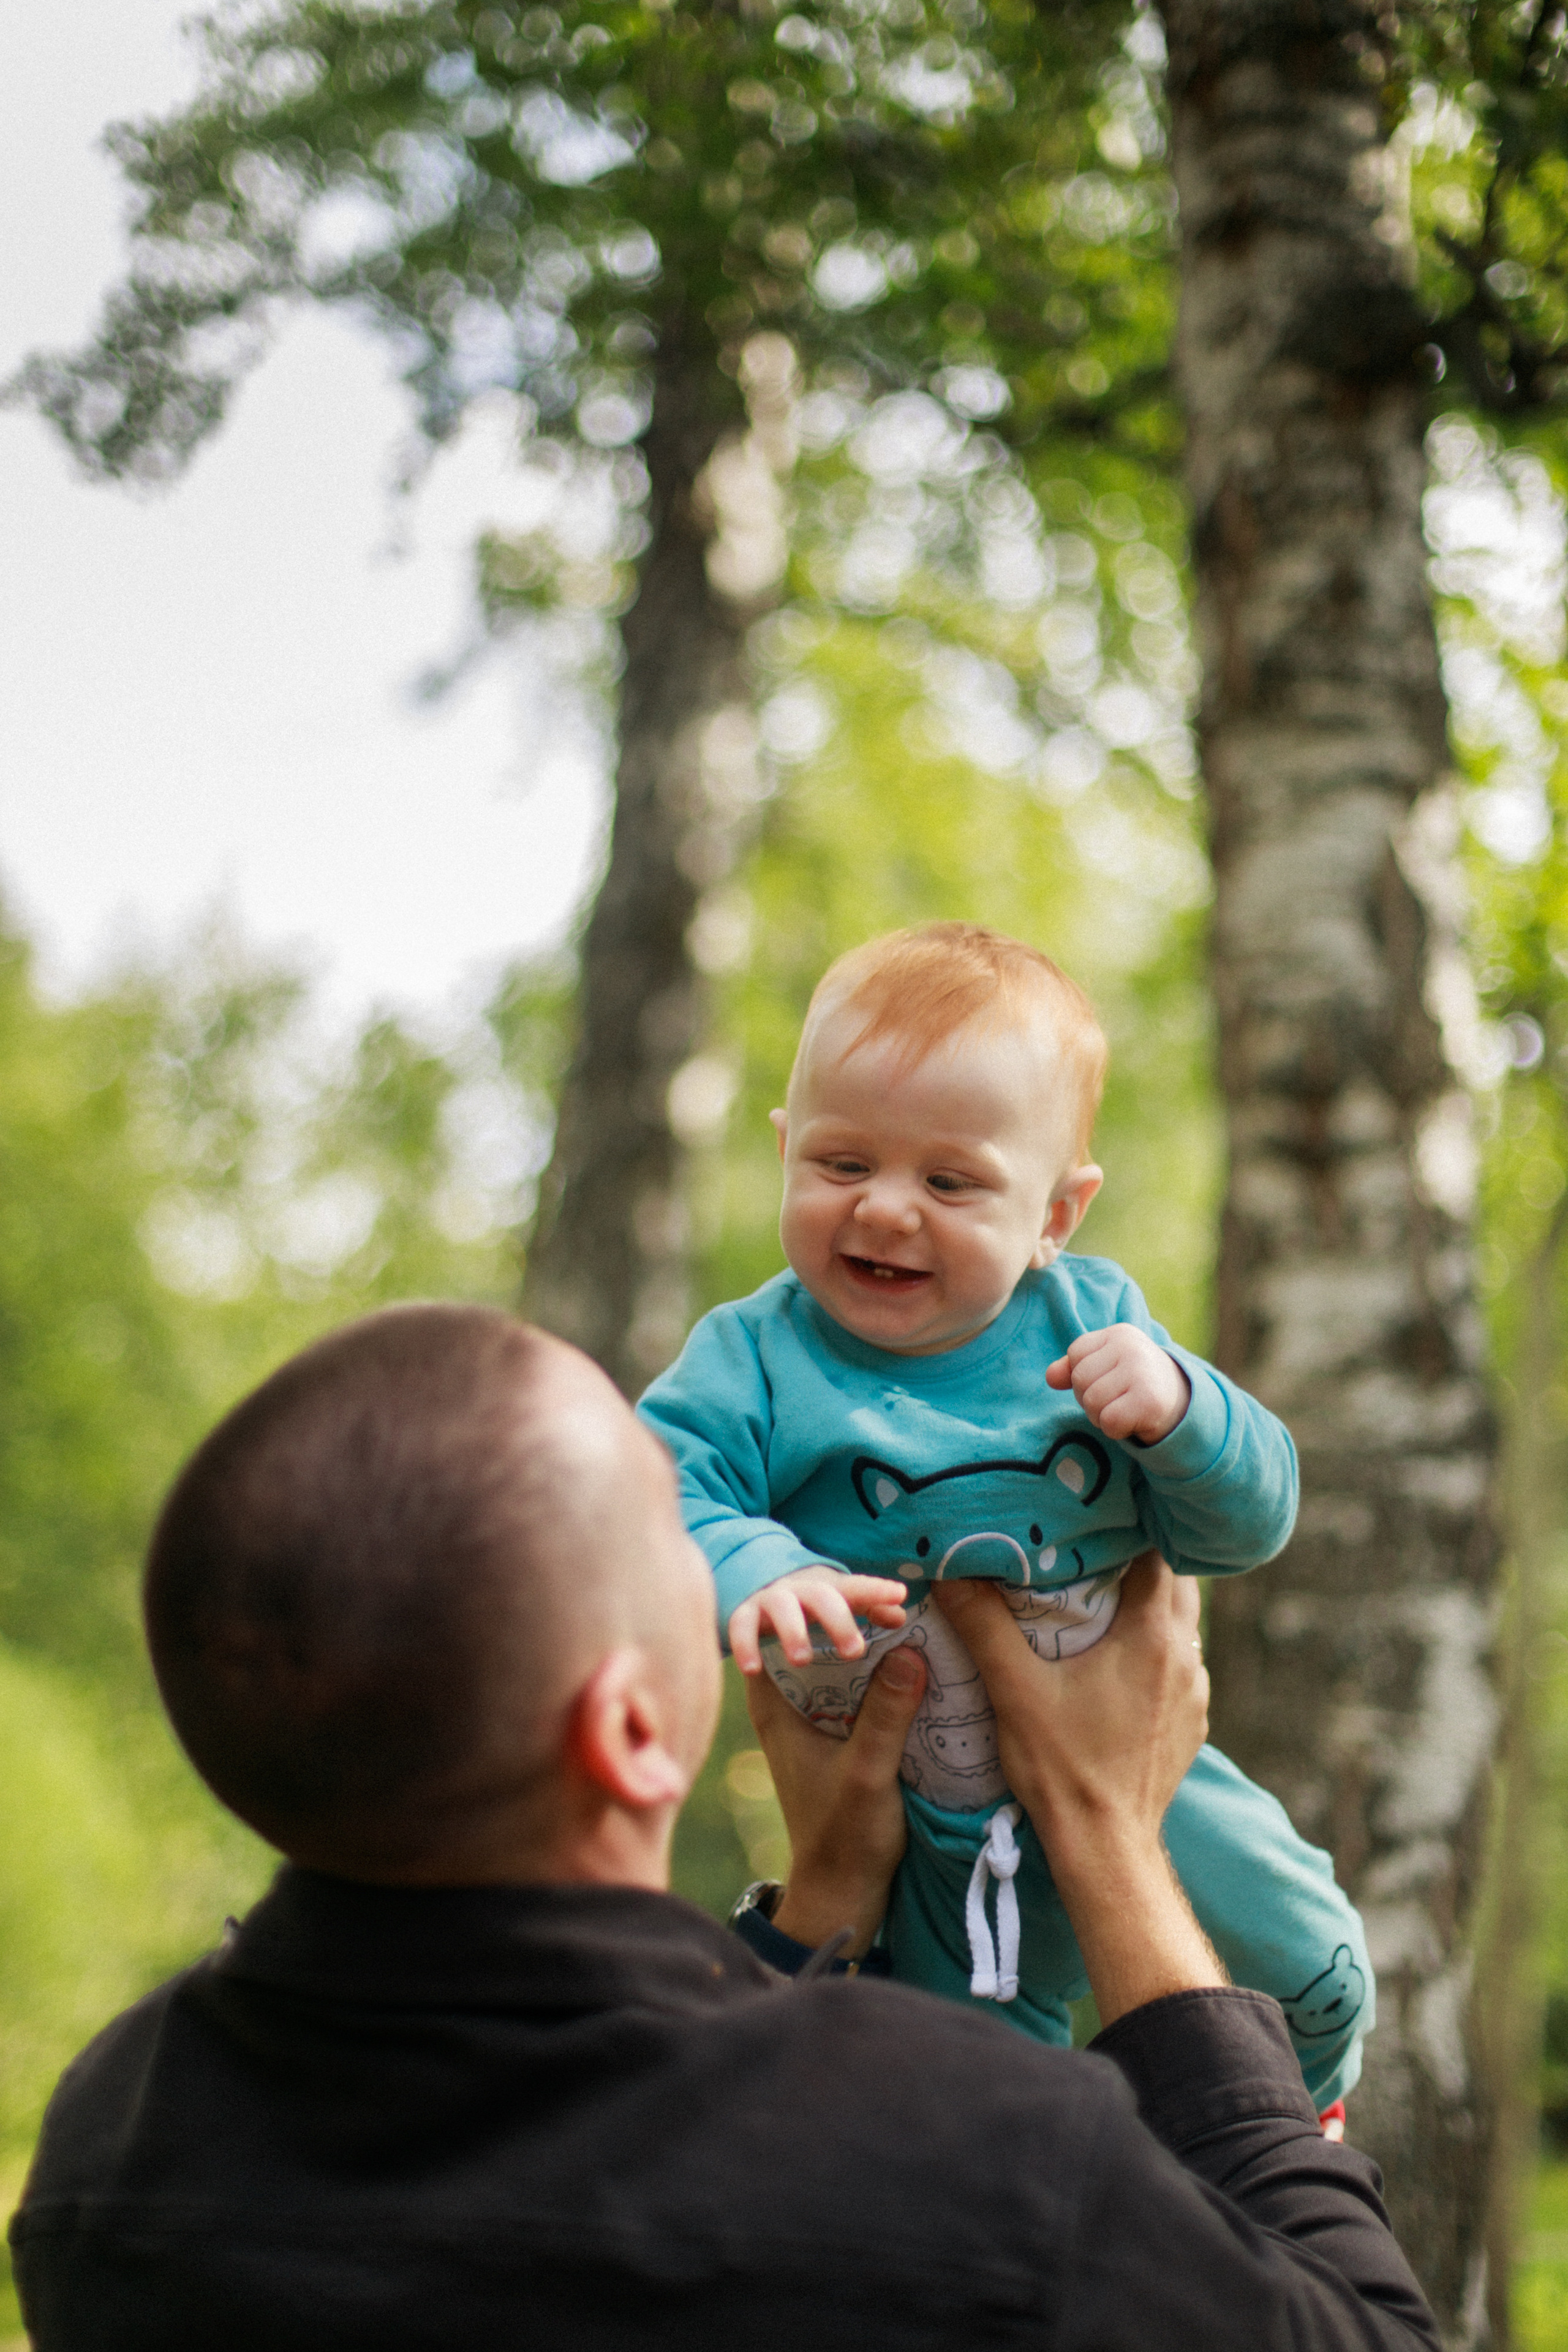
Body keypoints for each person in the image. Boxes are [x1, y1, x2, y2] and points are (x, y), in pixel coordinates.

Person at [10, 1304, 1433, 2351]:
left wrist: (815, 1918)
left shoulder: (119, 2147)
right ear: (631, 1729)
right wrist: (1104, 1831)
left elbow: (624, 2122)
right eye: (677, 1538)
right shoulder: (972, 2153)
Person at [639, 922, 1371, 2106]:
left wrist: (1183, 1413)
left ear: (1055, 1217)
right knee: (977, 2086)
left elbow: (1245, 1528)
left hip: (1137, 1763)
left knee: (1321, 1962)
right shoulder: (753, 1358)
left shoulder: (1094, 1326)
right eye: (839, 1163)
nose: (883, 1210)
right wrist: (755, 1564)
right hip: (921, 1807)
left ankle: (1296, 2126)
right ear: (784, 1150)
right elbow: (656, 1489)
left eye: (949, 1181)